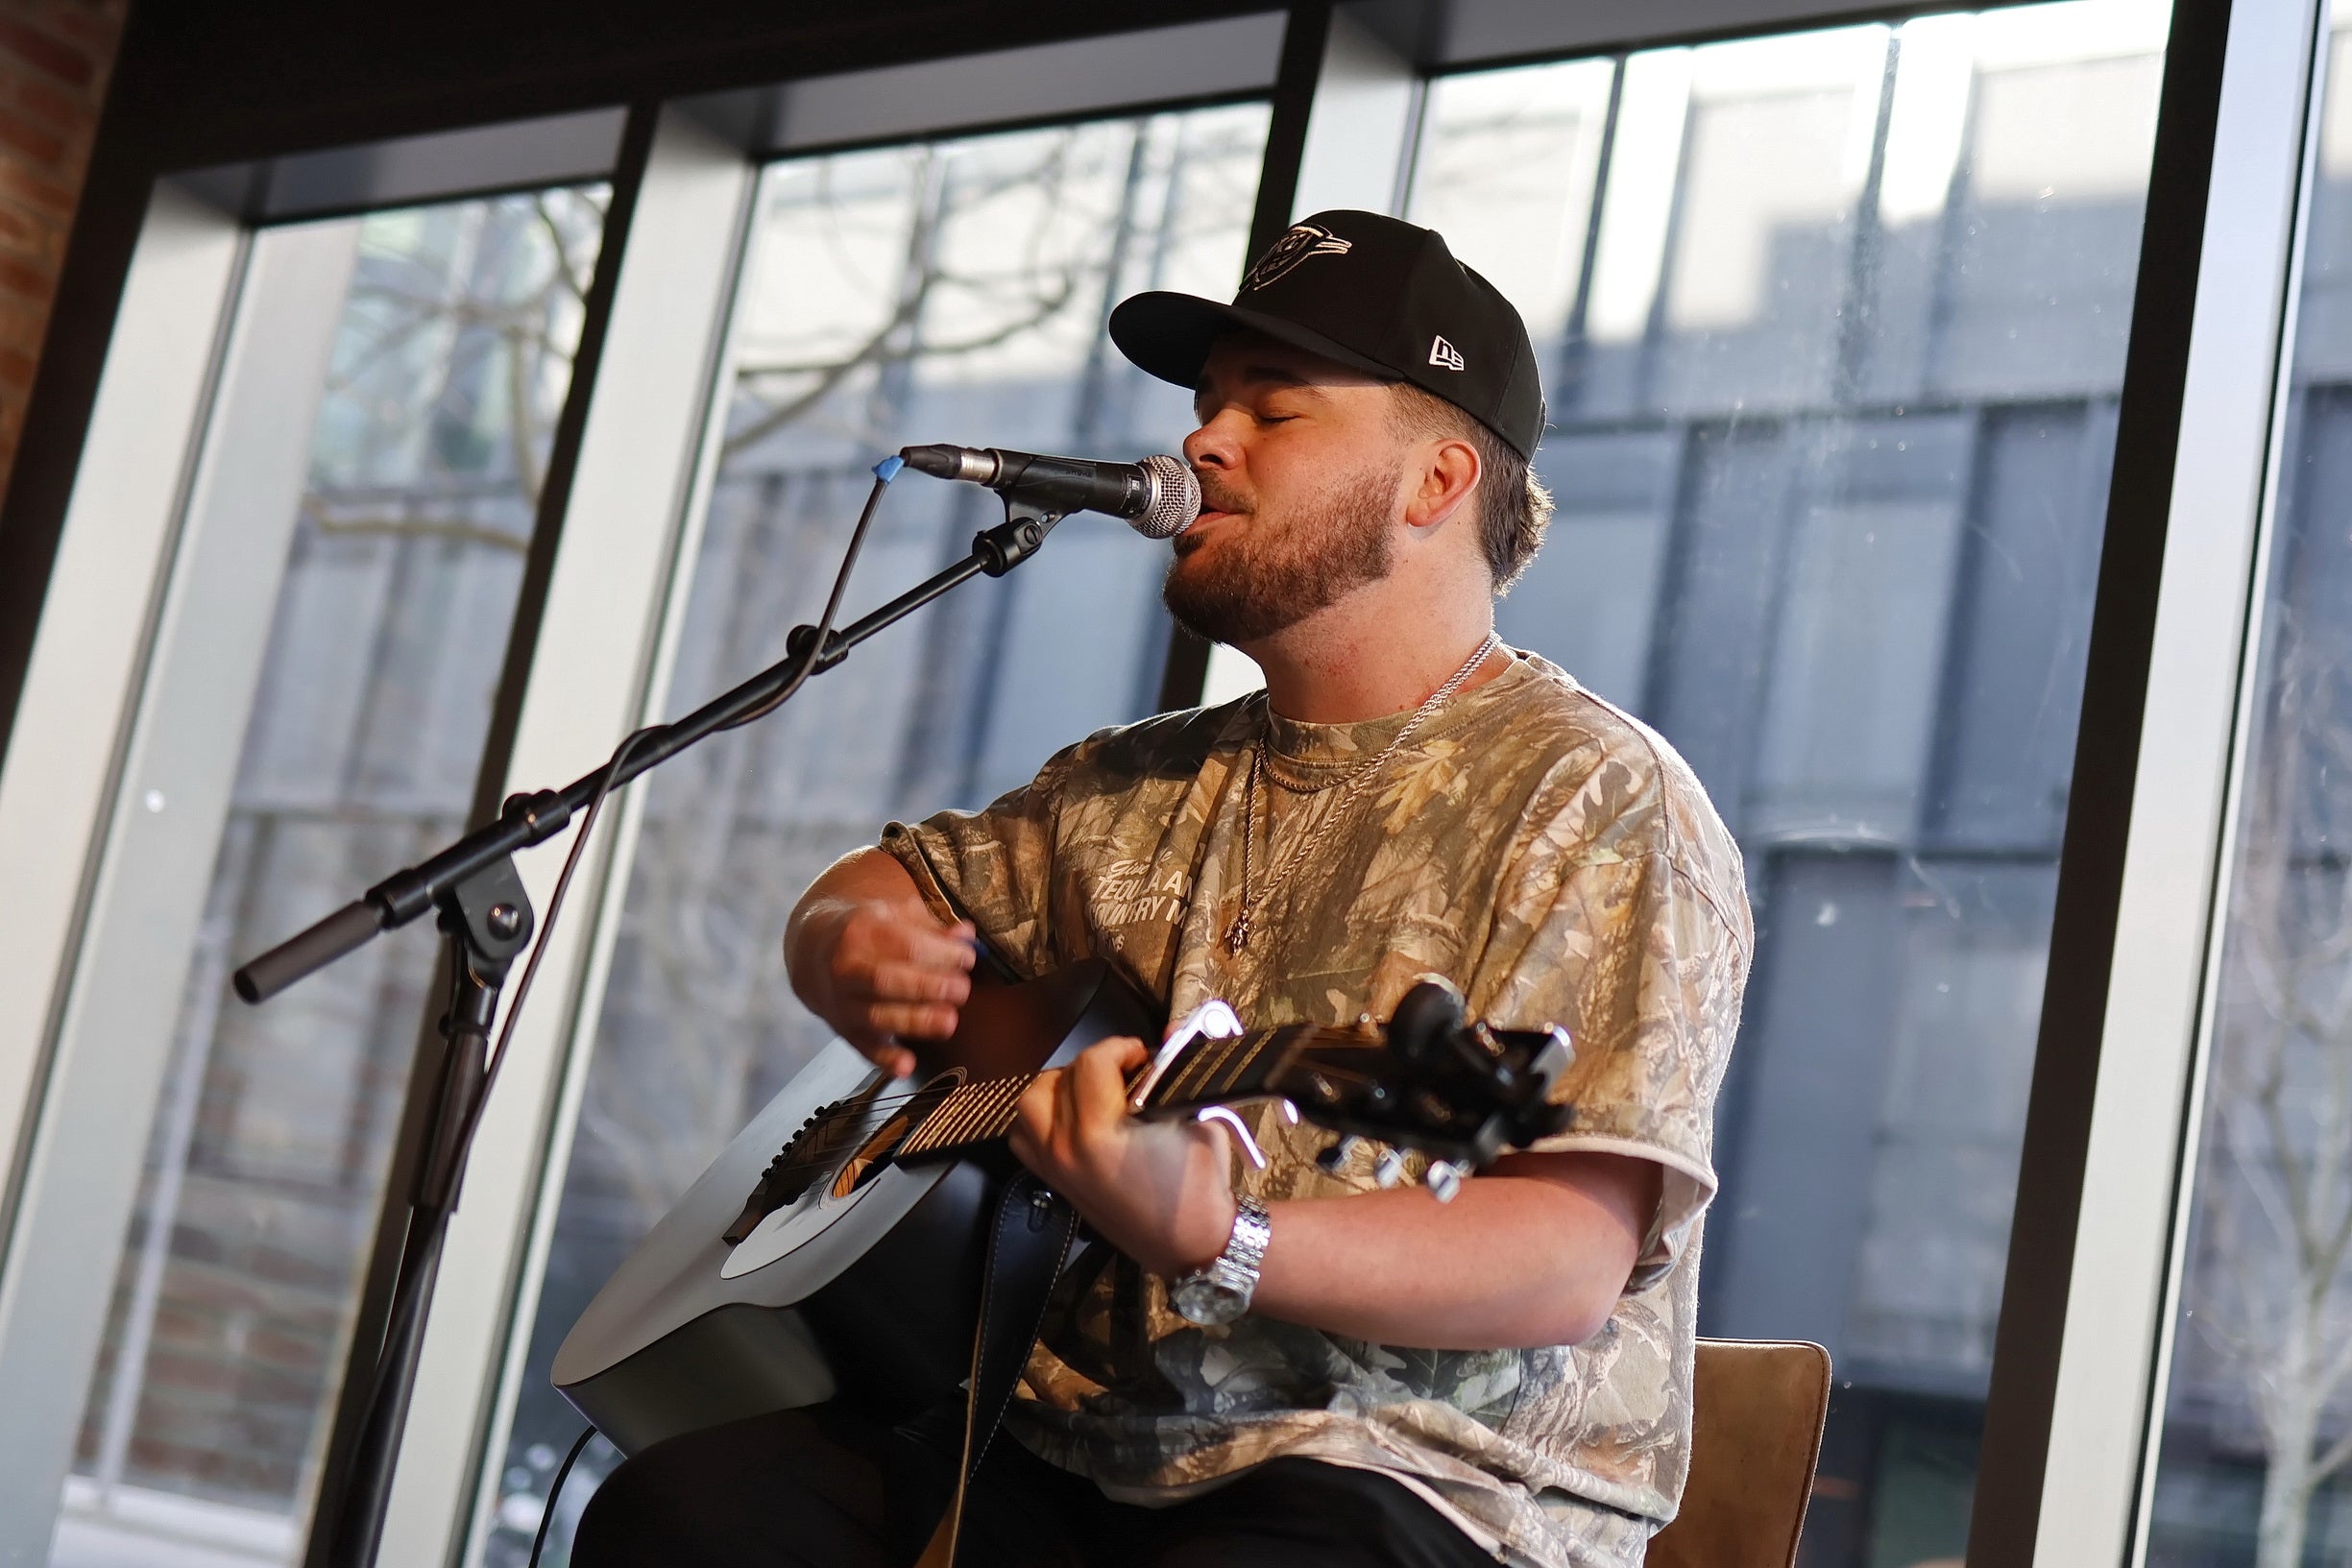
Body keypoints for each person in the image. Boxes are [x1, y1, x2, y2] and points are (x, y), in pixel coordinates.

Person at [572, 210, 1752, 1568]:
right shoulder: (1130, 778)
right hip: (1062, 1448)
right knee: (685, 1516)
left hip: (1406, 1489)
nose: (1202, 442)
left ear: (1434, 481)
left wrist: (1221, 1234)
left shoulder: (1594, 795)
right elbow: (879, 887)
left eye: (1272, 408)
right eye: (1205, 406)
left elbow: (1560, 1256)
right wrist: (852, 948)